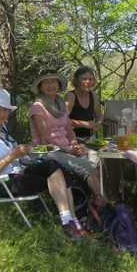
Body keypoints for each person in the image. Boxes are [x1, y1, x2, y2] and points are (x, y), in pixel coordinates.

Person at [0, 88, 84, 241]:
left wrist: (27, 149)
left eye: (4, 110)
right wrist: (12, 156)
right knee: (54, 171)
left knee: (55, 167)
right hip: (0, 184)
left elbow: (13, 152)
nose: (1, 114)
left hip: (15, 174)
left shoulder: (0, 128)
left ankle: (71, 221)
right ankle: (68, 222)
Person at [29, 70, 103, 198]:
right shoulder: (37, 107)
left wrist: (74, 144)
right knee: (86, 165)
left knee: (95, 156)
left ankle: (89, 198)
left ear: (58, 86)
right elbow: (46, 138)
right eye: (46, 82)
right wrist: (68, 151)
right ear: (40, 86)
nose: (50, 85)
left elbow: (69, 129)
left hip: (64, 147)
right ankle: (102, 201)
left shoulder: (60, 104)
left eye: (54, 82)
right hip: (44, 149)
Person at [64, 66, 103, 140]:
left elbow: (99, 115)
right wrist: (85, 124)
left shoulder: (93, 95)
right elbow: (63, 119)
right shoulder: (71, 96)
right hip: (71, 139)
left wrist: (98, 123)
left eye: (90, 79)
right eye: (84, 79)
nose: (88, 82)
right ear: (76, 81)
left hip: (90, 139)